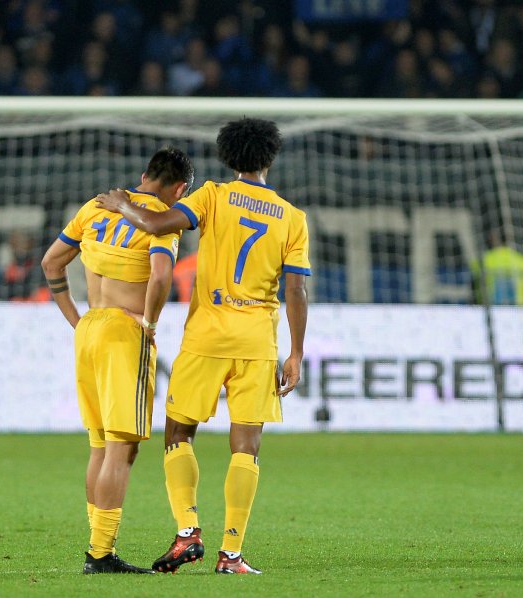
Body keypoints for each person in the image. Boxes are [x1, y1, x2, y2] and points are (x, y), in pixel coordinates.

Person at [96, 118, 311, 575]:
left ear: (229, 157)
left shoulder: (212, 195)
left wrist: (120, 205)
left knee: (178, 434)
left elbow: (155, 223)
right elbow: (297, 290)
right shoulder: (292, 218)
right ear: (269, 159)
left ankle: (187, 531)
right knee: (246, 446)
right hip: (257, 341)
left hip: (207, 335)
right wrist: (295, 353)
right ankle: (231, 555)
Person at [40, 147, 194, 575]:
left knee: (99, 446)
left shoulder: (96, 206)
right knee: (121, 451)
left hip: (89, 327)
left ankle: (98, 547)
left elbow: (51, 261)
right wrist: (150, 321)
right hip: (126, 332)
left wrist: (76, 320)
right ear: (180, 188)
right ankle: (100, 554)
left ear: (145, 175)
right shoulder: (163, 220)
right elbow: (161, 276)